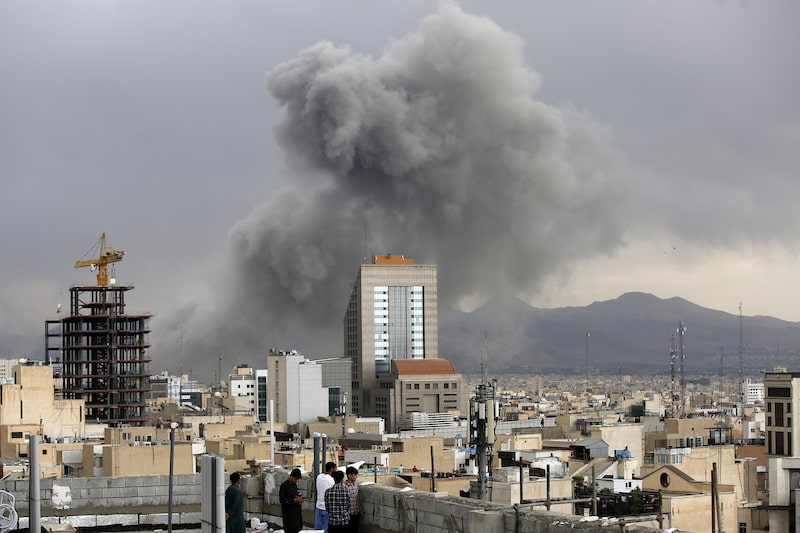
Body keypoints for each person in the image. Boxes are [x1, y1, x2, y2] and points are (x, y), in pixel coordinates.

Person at [279, 468, 304, 533]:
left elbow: (295, 494)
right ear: (291, 476)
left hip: (296, 512)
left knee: (298, 529)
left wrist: (300, 497)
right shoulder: (284, 486)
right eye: (295, 479)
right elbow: (282, 500)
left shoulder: (294, 485)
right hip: (289, 514)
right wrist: (294, 500)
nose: (296, 481)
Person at [315, 461, 337, 532]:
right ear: (331, 469)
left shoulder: (319, 477)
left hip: (318, 506)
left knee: (318, 529)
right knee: (325, 528)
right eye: (335, 469)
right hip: (327, 508)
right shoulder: (331, 480)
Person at [345, 466, 363, 532]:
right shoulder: (344, 486)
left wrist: (360, 511)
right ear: (349, 475)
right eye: (355, 475)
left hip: (356, 513)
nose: (356, 477)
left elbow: (357, 499)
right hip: (348, 514)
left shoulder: (355, 485)